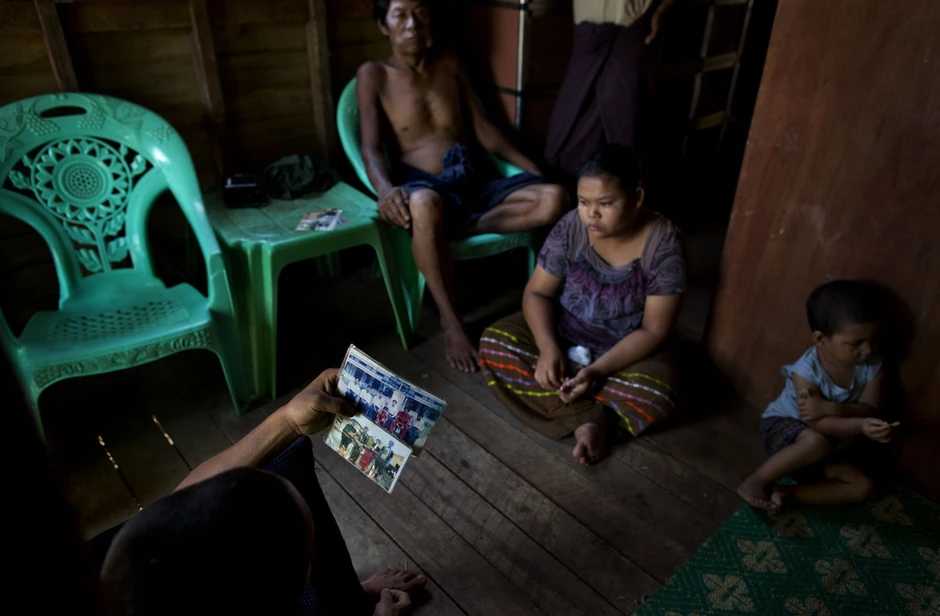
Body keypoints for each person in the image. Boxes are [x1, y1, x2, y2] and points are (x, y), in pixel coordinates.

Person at [97, 370, 427, 615]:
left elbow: (183, 499)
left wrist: (287, 422)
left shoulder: (120, 563)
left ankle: (338, 598)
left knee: (283, 458)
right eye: (310, 557)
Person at [358, 0, 569, 373]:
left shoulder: (450, 64)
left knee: (555, 197)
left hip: (472, 180)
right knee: (423, 206)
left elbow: (486, 131)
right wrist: (384, 189)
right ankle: (450, 318)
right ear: (382, 26)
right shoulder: (374, 74)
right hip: (422, 185)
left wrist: (535, 170)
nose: (412, 24)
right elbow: (371, 148)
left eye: (421, 13)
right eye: (400, 15)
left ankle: (454, 228)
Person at [480, 144, 686, 464]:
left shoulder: (663, 244)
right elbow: (537, 293)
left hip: (624, 355)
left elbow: (654, 330)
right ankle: (591, 417)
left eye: (606, 203)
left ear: (637, 198)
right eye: (584, 201)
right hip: (565, 335)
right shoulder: (571, 227)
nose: (592, 213)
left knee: (658, 393)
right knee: (494, 342)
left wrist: (597, 371)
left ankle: (574, 409)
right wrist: (548, 349)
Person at [737, 281, 895, 511]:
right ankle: (756, 481)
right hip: (787, 429)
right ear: (820, 339)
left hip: (831, 445)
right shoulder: (806, 373)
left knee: (863, 486)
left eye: (874, 339)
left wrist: (838, 411)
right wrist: (859, 425)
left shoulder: (872, 366)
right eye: (856, 343)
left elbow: (870, 407)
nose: (868, 350)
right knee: (815, 441)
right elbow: (816, 422)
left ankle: (785, 493)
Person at [532, 0, 676, 180]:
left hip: (632, 27)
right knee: (567, 128)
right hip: (588, 32)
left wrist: (661, 10)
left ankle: (622, 200)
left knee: (625, 129)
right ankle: (569, 200)